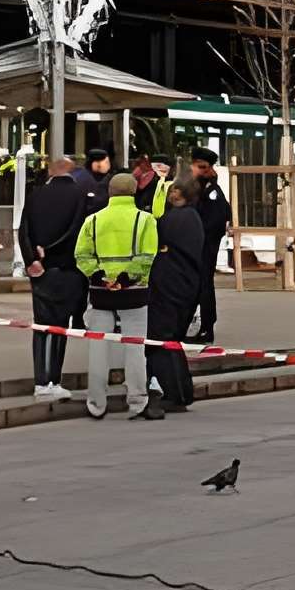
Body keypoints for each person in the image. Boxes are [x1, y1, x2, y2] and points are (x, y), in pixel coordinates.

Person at [75, 173, 162, 420]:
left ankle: (96, 403)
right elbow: (147, 257)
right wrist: (126, 279)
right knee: (135, 348)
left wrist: (99, 277)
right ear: (134, 192)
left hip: (101, 293)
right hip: (134, 293)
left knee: (98, 347)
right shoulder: (145, 220)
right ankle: (136, 400)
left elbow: (82, 255)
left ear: (110, 193)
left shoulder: (93, 220)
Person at [19, 162, 91, 401]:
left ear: (51, 173)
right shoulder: (80, 196)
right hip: (67, 269)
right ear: (72, 173)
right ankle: (53, 379)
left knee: (41, 327)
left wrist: (32, 259)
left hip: (40, 271)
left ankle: (40, 380)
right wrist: (49, 251)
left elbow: (23, 230)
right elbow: (76, 232)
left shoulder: (35, 195)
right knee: (59, 327)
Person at [147, 176, 208, 413]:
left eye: (175, 191)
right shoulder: (194, 218)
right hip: (187, 285)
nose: (171, 195)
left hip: (169, 285)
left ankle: (175, 393)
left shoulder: (172, 219)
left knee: (161, 339)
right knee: (172, 340)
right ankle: (181, 391)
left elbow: (157, 241)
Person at [182, 147, 231, 343]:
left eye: (201, 167)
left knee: (203, 287)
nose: (195, 170)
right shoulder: (197, 188)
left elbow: (219, 218)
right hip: (196, 246)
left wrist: (199, 236)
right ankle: (188, 325)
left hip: (204, 247)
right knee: (196, 286)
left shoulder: (212, 191)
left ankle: (206, 328)